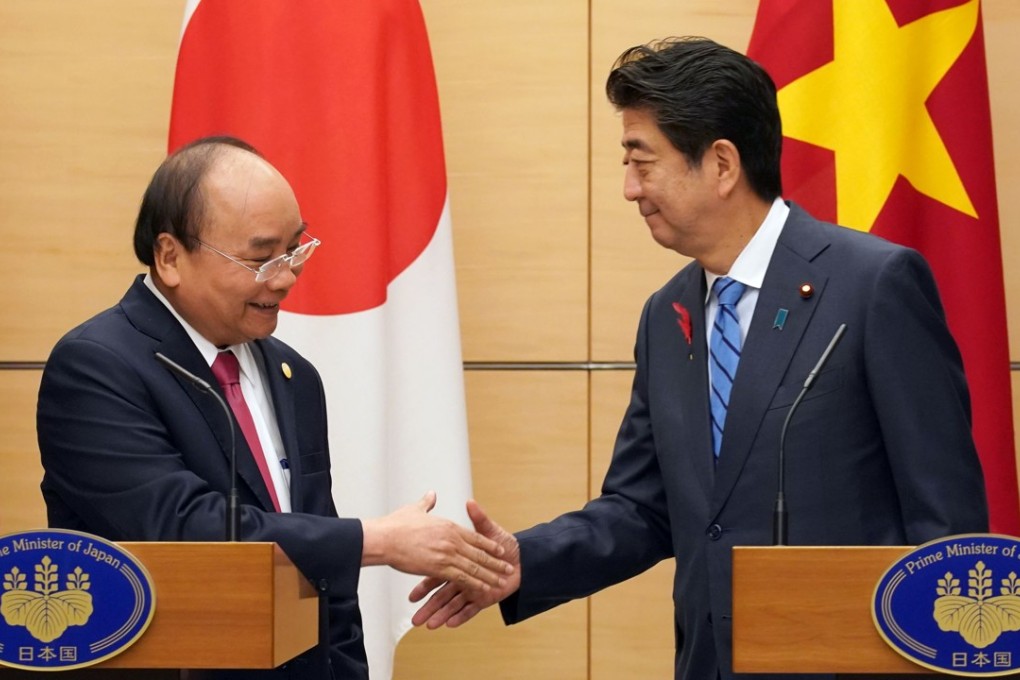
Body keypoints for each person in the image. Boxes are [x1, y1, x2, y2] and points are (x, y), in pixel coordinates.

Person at [409, 37, 989, 679]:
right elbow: (642, 508)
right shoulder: (668, 314)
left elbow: (947, 522)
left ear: (720, 164)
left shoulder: (872, 284)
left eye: (642, 162)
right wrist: (523, 561)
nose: (630, 189)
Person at [36, 136, 512, 680]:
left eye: (295, 249)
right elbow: (185, 530)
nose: (285, 278)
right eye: (261, 258)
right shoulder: (97, 366)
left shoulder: (292, 374)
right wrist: (377, 539)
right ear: (170, 256)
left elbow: (324, 584)